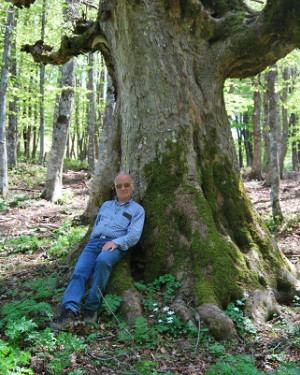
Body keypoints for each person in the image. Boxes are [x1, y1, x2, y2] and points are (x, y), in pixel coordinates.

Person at [50, 173, 145, 330]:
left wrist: (116, 242)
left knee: (103, 261)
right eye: (119, 186)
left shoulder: (137, 210)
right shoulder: (106, 205)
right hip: (94, 243)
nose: (123, 188)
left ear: (133, 186)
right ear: (115, 188)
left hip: (115, 245)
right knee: (79, 272)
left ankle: (91, 307)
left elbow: (134, 235)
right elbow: (97, 224)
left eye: (127, 185)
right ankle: (69, 311)